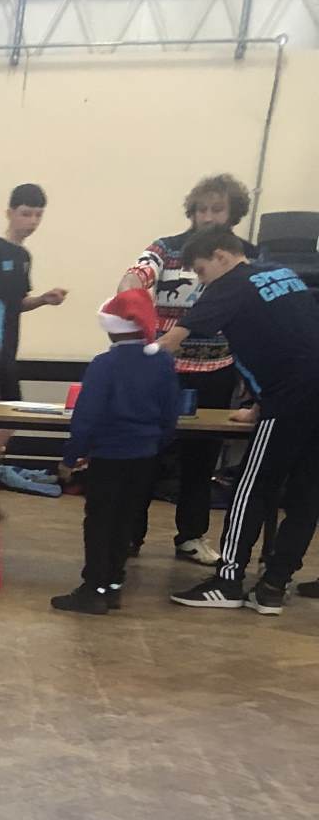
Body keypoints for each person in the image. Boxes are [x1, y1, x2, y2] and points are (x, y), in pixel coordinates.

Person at [167, 228, 319, 615]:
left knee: (251, 488)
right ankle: (272, 587)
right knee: (307, 493)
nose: (201, 282)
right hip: (306, 393)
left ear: (221, 256)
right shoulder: (282, 273)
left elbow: (174, 340)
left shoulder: (230, 285)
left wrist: (129, 360)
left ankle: (228, 581)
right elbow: (286, 340)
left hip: (289, 399)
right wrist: (255, 407)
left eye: (201, 271)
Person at [120, 173, 256, 566]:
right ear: (191, 212)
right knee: (147, 453)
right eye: (201, 209)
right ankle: (130, 534)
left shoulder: (245, 254)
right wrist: (129, 293)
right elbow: (137, 273)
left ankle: (191, 537)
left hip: (218, 370)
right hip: (164, 369)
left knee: (202, 460)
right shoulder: (167, 247)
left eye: (218, 210)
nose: (208, 217)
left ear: (233, 214)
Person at [51, 290, 178, 615]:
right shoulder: (163, 362)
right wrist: (157, 444)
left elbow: (87, 416)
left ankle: (92, 589)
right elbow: (170, 413)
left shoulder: (104, 365)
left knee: (99, 521)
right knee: (125, 521)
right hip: (145, 455)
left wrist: (71, 457)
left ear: (111, 328)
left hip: (109, 455)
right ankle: (112, 586)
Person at [0, 183, 68, 474]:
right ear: (10, 213)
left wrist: (43, 300)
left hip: (8, 351)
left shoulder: (24, 257)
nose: (32, 221)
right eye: (26, 214)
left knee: (8, 415)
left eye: (38, 215)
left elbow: (16, 303)